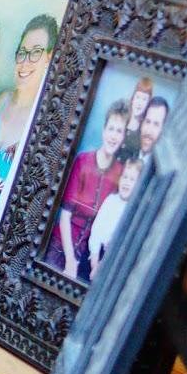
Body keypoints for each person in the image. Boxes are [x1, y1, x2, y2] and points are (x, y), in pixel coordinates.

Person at [46, 98, 132, 281]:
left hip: (87, 259)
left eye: (119, 131)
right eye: (111, 129)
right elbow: (65, 215)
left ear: (124, 137)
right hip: (59, 247)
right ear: (103, 130)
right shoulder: (83, 161)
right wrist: (70, 261)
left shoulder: (121, 173)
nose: (114, 136)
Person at [0, 13, 58, 204]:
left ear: (49, 58)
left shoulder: (42, 124)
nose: (25, 61)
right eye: (22, 51)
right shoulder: (2, 100)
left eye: (36, 52)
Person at [87, 155, 143, 279]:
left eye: (132, 179)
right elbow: (96, 230)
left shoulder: (135, 210)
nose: (127, 182)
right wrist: (94, 263)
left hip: (114, 261)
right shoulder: (111, 200)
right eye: (125, 177)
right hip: (96, 254)